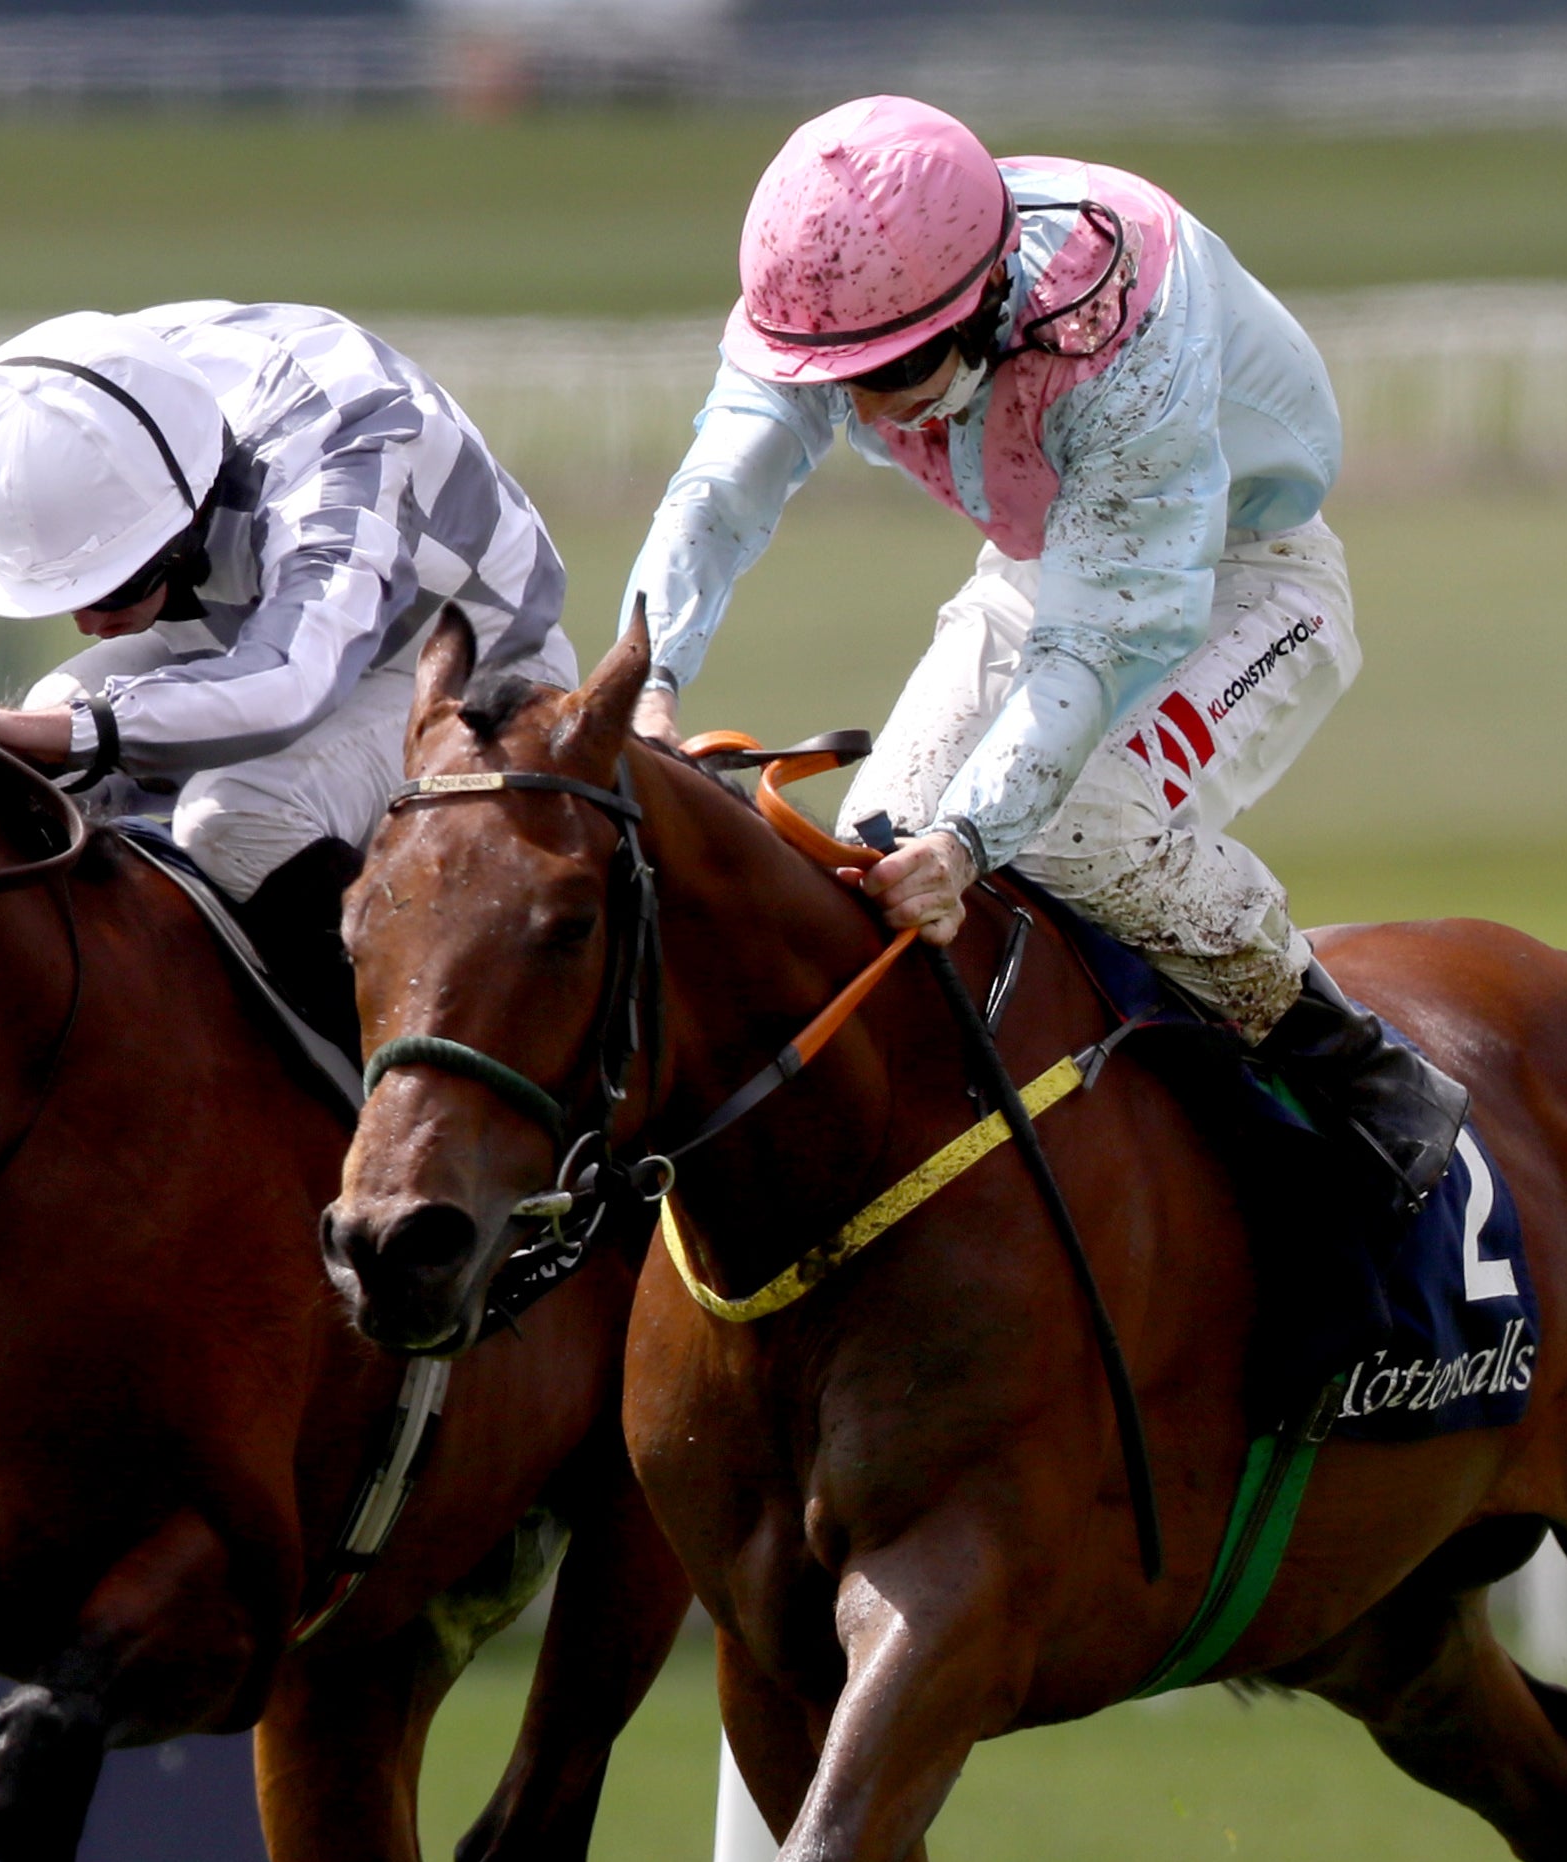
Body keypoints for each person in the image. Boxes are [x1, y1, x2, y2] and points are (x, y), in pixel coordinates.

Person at [623, 97, 1467, 1211]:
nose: (863, 409)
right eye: (835, 380)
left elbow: (1090, 648)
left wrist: (968, 843)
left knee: (1073, 825)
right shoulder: (840, 284)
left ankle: (1350, 1063)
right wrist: (645, 680)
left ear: (977, 308)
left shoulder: (1128, 343)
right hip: (1047, 564)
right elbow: (719, 491)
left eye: (889, 374)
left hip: (1242, 580)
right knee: (872, 852)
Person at [0, 302, 576, 1029]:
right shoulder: (52, 417)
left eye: (115, 584)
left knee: (236, 811)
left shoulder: (339, 452)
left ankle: (415, 1072)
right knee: (28, 766)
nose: (85, 622)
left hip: (466, 670)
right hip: (249, 626)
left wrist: (20, 724)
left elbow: (290, 681)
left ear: (184, 514)